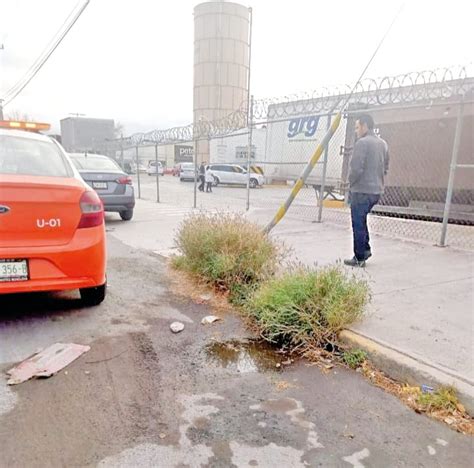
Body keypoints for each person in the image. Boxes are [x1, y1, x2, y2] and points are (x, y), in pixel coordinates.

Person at [344, 114, 389, 267]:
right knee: (361, 220)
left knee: (357, 222)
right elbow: (386, 166)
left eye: (357, 127)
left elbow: (356, 168)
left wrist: (351, 182)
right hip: (376, 190)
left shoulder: (362, 143)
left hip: (361, 190)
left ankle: (359, 257)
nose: (356, 131)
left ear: (364, 126)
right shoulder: (383, 143)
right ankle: (366, 249)